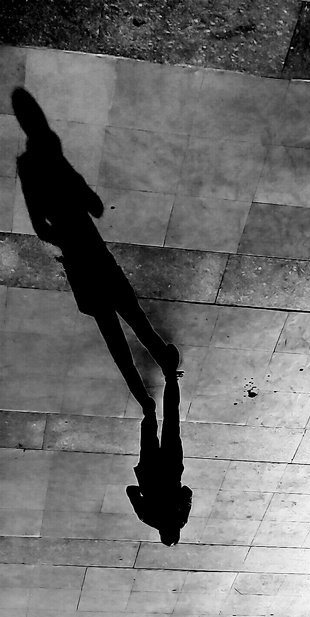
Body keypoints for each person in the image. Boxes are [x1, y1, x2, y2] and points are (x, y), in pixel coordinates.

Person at [11, 87, 180, 412]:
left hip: (79, 265)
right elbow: (94, 205)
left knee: (113, 337)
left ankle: (144, 401)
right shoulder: (54, 154)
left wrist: (66, 242)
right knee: (134, 316)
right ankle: (164, 361)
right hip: (95, 253)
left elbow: (40, 226)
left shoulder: (29, 165)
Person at [126, 369, 192, 545]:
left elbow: (187, 492)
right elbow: (131, 491)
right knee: (149, 432)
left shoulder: (181, 520)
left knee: (172, 422)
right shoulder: (147, 517)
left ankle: (171, 380)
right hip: (150, 472)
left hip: (172, 468)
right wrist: (148, 493)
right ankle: (149, 410)